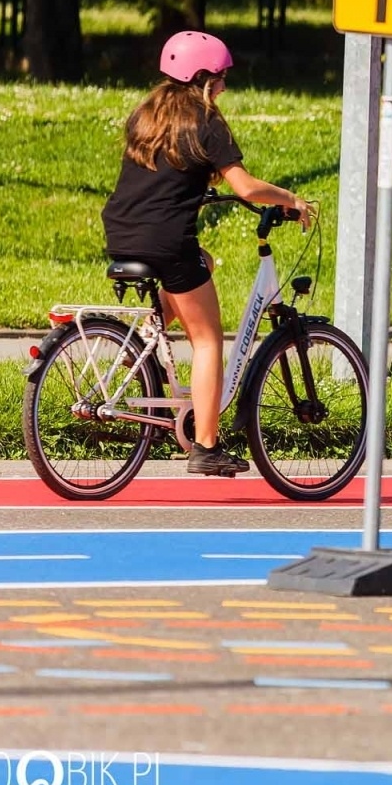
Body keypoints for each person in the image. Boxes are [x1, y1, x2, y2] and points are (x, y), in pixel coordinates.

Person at [101, 31, 308, 477]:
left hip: (120, 232)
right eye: (221, 78)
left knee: (205, 264)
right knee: (208, 339)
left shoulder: (147, 115)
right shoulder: (206, 121)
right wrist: (291, 199)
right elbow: (247, 187)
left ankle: (147, 342)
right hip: (167, 240)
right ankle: (207, 446)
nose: (224, 87)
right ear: (202, 79)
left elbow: (166, 175)